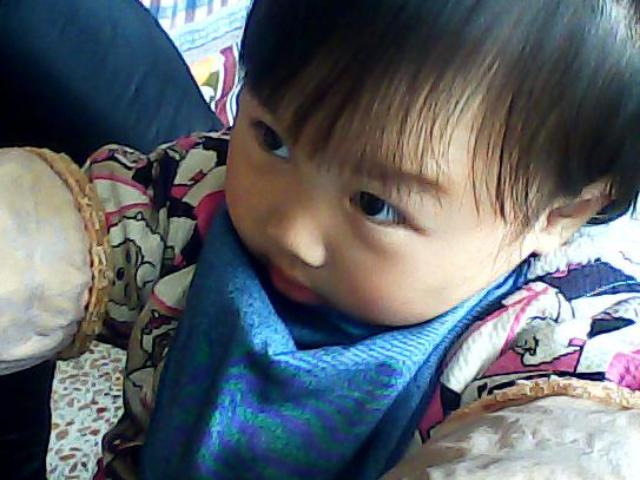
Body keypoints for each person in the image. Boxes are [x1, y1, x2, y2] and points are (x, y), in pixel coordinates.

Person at [88, 0, 639, 478]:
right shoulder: (198, 190)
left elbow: (581, 438)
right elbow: (99, 230)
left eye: (375, 205)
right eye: (273, 141)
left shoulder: (559, 336)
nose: (293, 233)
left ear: (557, 215)